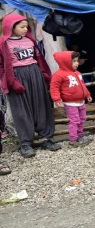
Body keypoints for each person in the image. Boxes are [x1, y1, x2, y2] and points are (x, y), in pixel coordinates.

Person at [0, 14, 60, 158]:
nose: (25, 29)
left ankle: (46, 138)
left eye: (26, 26)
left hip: (34, 74)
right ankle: (26, 143)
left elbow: (38, 57)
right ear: (11, 27)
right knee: (21, 110)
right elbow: (1, 66)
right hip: (16, 76)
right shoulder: (3, 43)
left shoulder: (29, 40)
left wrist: (43, 74)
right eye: (21, 27)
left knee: (41, 105)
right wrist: (11, 81)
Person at [50, 51, 93, 146]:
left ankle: (80, 136)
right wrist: (57, 99)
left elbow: (82, 85)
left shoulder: (77, 73)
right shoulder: (58, 75)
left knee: (82, 119)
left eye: (77, 61)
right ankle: (73, 139)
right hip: (70, 103)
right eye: (74, 61)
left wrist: (87, 95)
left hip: (81, 102)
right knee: (74, 120)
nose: (77, 63)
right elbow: (54, 88)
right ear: (65, 62)